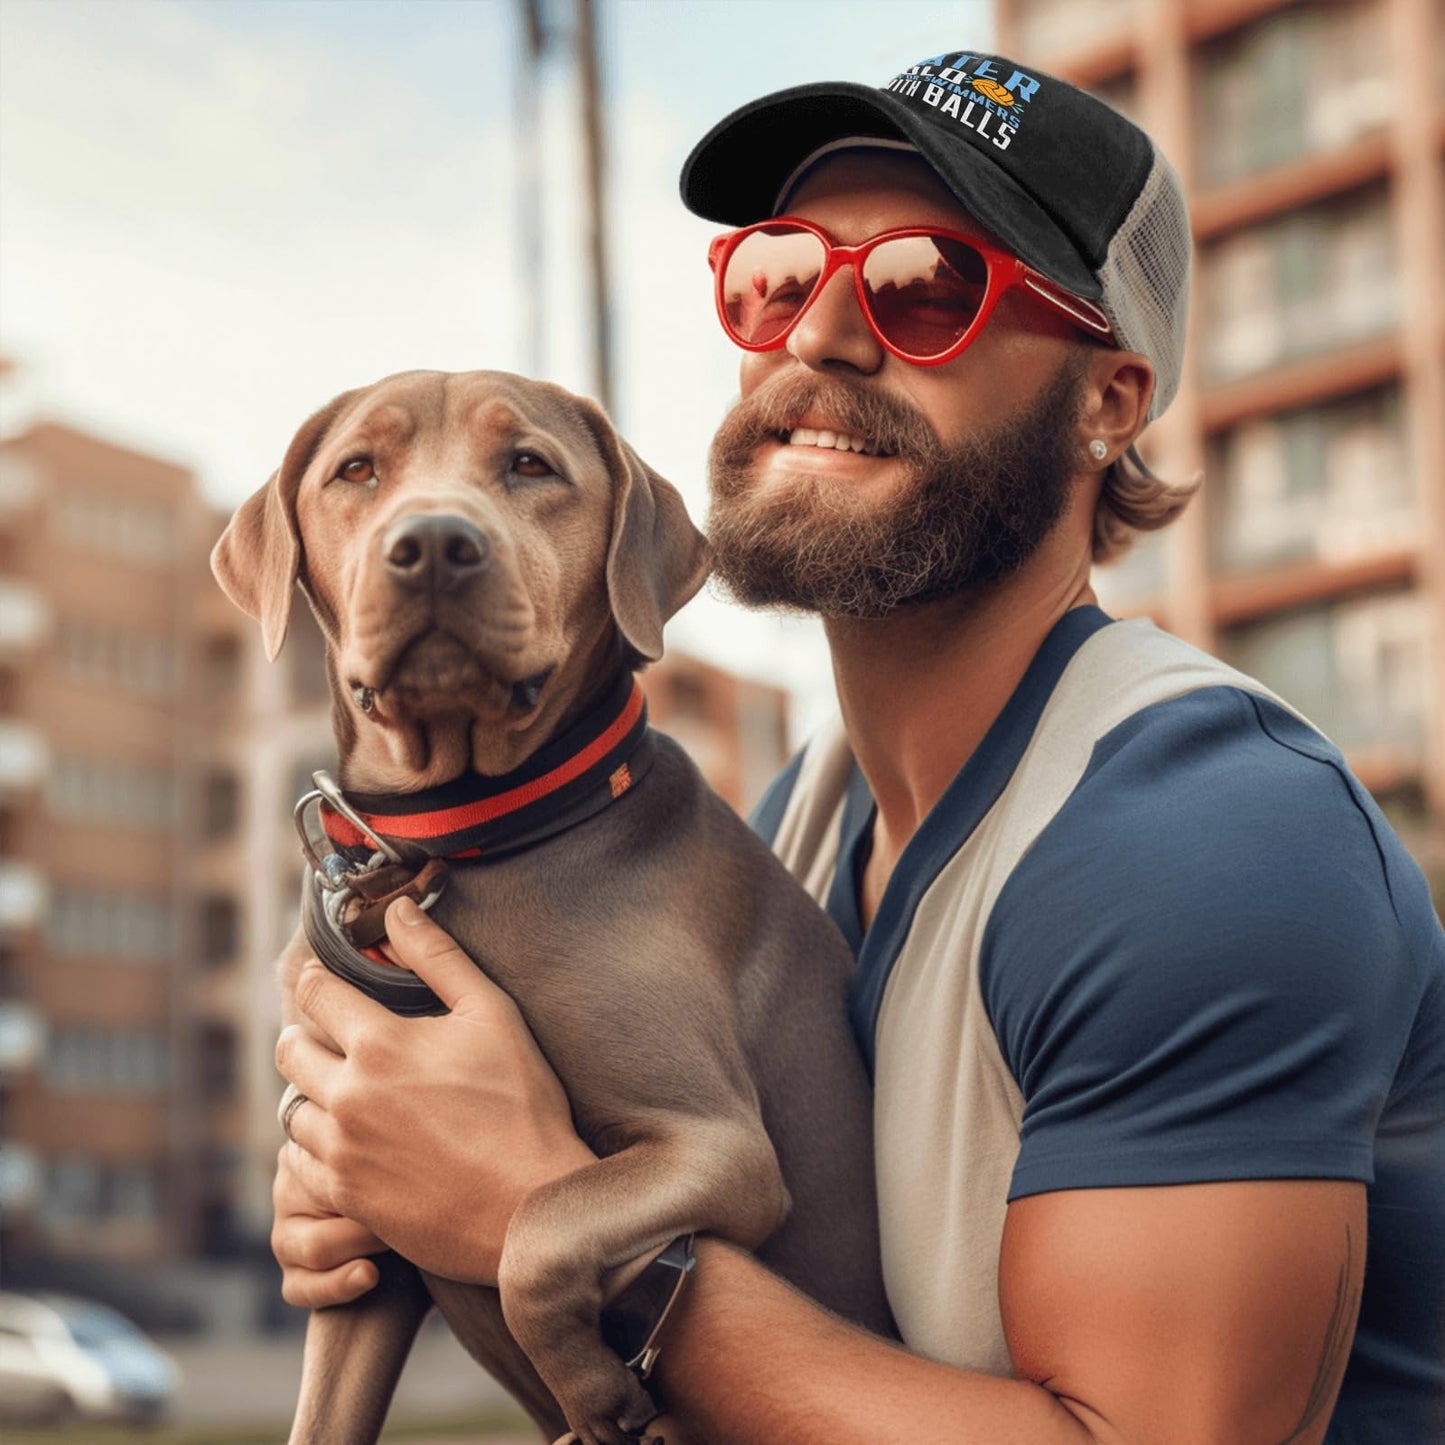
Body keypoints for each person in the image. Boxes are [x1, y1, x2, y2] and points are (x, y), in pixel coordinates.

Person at [272, 50, 1445, 1443]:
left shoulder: (1204, 838)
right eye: (776, 276)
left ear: (1107, 400)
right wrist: (389, 1181)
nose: (819, 334)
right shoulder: (793, 824)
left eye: (924, 289)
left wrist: (542, 1211)